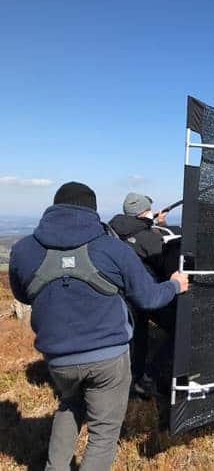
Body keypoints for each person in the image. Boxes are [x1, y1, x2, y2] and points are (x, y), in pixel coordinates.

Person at [8, 182, 189, 470]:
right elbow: (148, 297)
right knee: (103, 433)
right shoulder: (110, 248)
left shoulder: (23, 250)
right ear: (92, 210)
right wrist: (174, 285)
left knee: (70, 404)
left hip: (58, 358)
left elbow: (21, 293)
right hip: (108, 356)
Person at [109, 193, 177, 397]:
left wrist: (155, 223)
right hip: (148, 293)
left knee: (136, 338)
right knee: (179, 327)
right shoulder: (146, 237)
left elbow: (137, 237)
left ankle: (135, 380)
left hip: (122, 295)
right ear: (143, 213)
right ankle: (149, 377)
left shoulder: (116, 228)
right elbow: (162, 256)